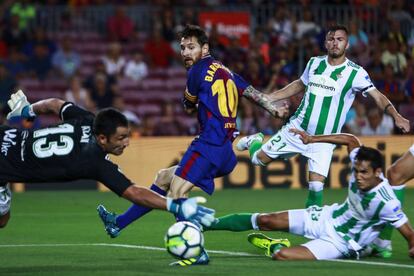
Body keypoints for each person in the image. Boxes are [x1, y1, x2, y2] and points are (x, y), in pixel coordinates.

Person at [97, 24, 288, 266]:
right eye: (182, 48)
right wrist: (275, 109)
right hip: (224, 150)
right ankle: (119, 223)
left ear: (204, 48)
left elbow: (188, 106)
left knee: (177, 193)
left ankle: (196, 251)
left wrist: (193, 102)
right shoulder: (226, 71)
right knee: (165, 177)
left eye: (191, 47)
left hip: (208, 145)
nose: (185, 52)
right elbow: (253, 93)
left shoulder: (197, 71)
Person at [237, 25, 410, 208]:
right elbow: (299, 84)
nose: (335, 43)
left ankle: (312, 229)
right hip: (297, 129)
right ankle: (255, 140)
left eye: (339, 39)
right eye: (331, 39)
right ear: (326, 43)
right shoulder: (314, 63)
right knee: (257, 159)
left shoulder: (356, 73)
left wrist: (396, 115)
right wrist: (270, 97)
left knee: (316, 187)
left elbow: (378, 97)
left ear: (347, 44)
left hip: (323, 140)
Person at [0, 90, 215, 230]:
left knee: (3, 219)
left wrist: (28, 110)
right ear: (103, 138)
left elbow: (55, 104)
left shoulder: (88, 120)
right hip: (3, 166)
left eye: (127, 136)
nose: (127, 143)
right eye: (121, 138)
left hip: (5, 136)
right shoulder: (94, 161)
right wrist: (176, 207)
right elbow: (134, 193)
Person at [206, 129, 414, 261]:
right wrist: (313, 139)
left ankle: (277, 245)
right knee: (265, 219)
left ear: (377, 172)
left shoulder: (387, 202)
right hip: (327, 216)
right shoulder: (360, 163)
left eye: (364, 173)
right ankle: (206, 224)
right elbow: (351, 139)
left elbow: (410, 235)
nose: (358, 177)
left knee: (282, 256)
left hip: (340, 243)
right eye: (356, 171)